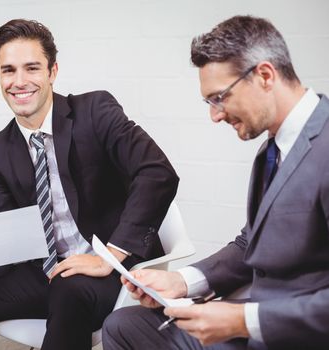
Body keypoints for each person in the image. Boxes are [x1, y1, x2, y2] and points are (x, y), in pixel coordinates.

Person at [0, 19, 179, 350]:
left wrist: (109, 256)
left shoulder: (95, 110)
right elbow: (7, 234)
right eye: (8, 70)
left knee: (69, 287)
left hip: (111, 272)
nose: (19, 82)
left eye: (31, 68)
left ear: (52, 72)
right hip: (45, 273)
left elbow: (157, 172)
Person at [102, 15, 329, 350]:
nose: (215, 115)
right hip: (252, 317)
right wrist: (181, 281)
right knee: (123, 324)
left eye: (219, 97)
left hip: (294, 333)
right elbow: (249, 243)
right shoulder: (272, 150)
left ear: (265, 75)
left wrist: (241, 321)